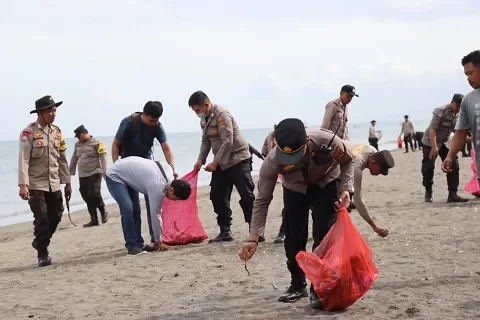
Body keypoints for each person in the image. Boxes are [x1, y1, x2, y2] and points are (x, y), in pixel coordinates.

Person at [238, 118, 354, 309]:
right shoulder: (273, 160)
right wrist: (253, 238)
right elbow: (262, 200)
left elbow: (348, 160)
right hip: (295, 188)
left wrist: (346, 189)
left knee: (323, 235)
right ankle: (297, 283)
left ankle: (319, 287)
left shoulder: (329, 141)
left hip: (325, 182)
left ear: (307, 141)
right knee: (293, 238)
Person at [190, 91, 257, 242]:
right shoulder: (204, 120)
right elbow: (206, 141)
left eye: (197, 110)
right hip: (221, 162)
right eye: (194, 111)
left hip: (238, 159)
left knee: (247, 196)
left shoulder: (222, 115)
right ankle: (225, 231)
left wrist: (215, 162)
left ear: (206, 104)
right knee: (217, 195)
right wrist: (201, 159)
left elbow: (228, 141)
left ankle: (255, 231)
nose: (197, 114)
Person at [111, 101, 176, 251]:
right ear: (144, 114)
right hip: (129, 170)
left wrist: (171, 169)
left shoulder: (157, 126)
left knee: (153, 205)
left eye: (157, 120)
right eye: (151, 120)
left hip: (148, 168)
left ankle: (155, 240)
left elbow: (166, 147)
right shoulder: (129, 122)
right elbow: (115, 144)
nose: (154, 123)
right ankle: (136, 243)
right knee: (133, 207)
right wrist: (117, 166)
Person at [18, 95, 72, 267]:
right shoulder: (29, 133)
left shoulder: (57, 132)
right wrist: (23, 185)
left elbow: (62, 158)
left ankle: (40, 241)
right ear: (40, 112)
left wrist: (68, 182)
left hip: (54, 182)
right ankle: (43, 253)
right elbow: (23, 159)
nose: (53, 113)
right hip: (35, 184)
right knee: (42, 219)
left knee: (56, 214)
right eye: (49, 110)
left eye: (54, 110)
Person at [106, 157, 191, 255]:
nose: (174, 201)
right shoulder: (158, 187)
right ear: (171, 190)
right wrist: (159, 242)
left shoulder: (170, 172)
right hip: (115, 175)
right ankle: (132, 246)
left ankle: (139, 244)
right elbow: (155, 214)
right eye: (176, 198)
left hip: (127, 171)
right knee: (128, 208)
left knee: (136, 210)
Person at [422, 94, 468, 203]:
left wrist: (468, 138)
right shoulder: (441, 111)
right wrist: (434, 147)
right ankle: (428, 191)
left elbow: (456, 131)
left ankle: (452, 194)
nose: (458, 110)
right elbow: (432, 129)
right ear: (452, 103)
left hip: (444, 142)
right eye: (458, 107)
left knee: (453, 162)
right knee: (428, 168)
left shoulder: (458, 114)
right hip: (430, 142)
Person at [443, 50, 480, 184]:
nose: (468, 78)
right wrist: (450, 156)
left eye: (471, 73)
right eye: (466, 75)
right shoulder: (468, 101)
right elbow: (460, 133)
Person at [69, 125, 109, 227]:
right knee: (86, 195)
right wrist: (69, 173)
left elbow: (103, 158)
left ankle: (103, 211)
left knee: (94, 193)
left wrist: (105, 174)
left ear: (84, 133)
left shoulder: (97, 142)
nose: (78, 138)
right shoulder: (77, 145)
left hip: (95, 172)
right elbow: (74, 159)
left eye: (79, 136)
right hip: (83, 175)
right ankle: (94, 219)